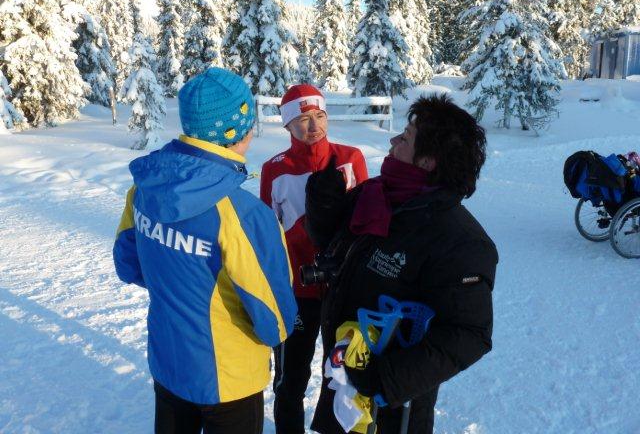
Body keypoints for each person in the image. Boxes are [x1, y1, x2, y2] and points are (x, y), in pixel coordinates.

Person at [113, 67, 297, 434]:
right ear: (240, 130)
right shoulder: (242, 213)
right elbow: (275, 321)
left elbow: (128, 264)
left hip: (169, 362)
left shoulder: (147, 187)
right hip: (228, 379)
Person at [304, 94, 498, 433]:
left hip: (392, 405)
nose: (393, 141)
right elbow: (333, 249)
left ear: (427, 162)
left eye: (406, 137)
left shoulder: (460, 240)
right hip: (343, 375)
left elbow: (469, 333)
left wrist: (383, 378)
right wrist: (323, 209)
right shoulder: (376, 195)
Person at [260, 84, 368, 434]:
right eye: (303, 119)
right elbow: (267, 235)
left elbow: (366, 226)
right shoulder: (274, 169)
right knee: (291, 379)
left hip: (343, 291)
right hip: (297, 293)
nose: (314, 126)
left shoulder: (351, 159)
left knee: (340, 377)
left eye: (320, 116)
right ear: (288, 126)